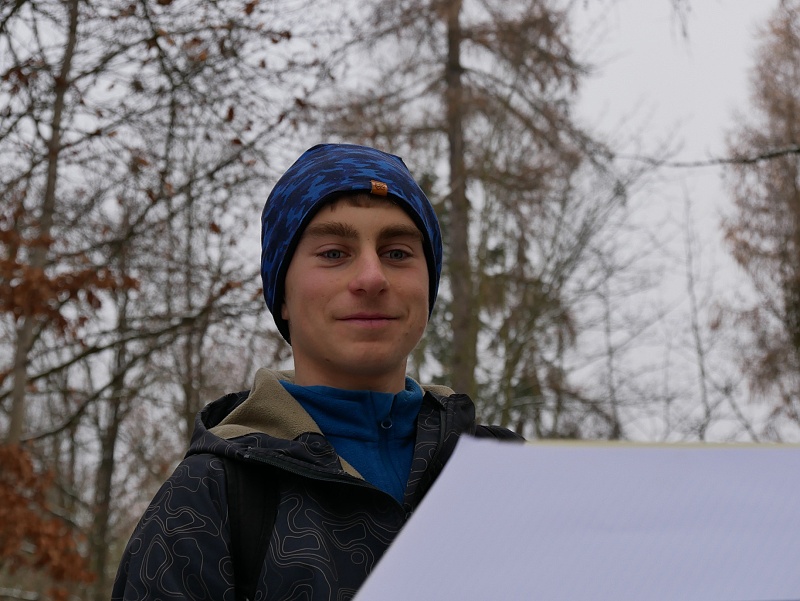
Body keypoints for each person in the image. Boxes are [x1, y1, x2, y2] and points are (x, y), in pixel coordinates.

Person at [112, 143, 522, 601]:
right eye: (332, 253)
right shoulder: (209, 498)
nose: (372, 277)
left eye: (397, 253)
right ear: (282, 294)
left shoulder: (510, 476)